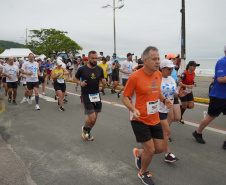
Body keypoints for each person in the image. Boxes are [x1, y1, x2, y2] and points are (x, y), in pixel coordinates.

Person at [122, 46, 173, 185]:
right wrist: (133, 109)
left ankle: (139, 153)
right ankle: (143, 172)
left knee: (160, 148)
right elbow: (125, 97)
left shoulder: (157, 74)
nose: (158, 61)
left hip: (154, 116)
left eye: (159, 58)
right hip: (139, 118)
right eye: (154, 59)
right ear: (145, 60)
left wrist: (164, 100)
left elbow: (157, 91)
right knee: (150, 149)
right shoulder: (134, 77)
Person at [192, 45, 226, 149]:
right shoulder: (222, 62)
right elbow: (220, 79)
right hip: (218, 96)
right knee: (211, 116)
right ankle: (198, 132)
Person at [159, 59, 187, 162]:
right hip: (158, 108)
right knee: (166, 131)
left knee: (166, 130)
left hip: (168, 106)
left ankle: (166, 153)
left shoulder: (171, 79)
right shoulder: (157, 78)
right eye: (168, 69)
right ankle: (167, 154)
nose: (171, 71)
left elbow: (172, 93)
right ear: (162, 68)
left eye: (172, 69)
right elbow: (154, 93)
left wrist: (179, 95)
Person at [74, 50, 106, 141]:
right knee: (92, 118)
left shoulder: (99, 69)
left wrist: (104, 81)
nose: (95, 60)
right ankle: (85, 128)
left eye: (96, 58)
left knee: (95, 119)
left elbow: (102, 78)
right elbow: (74, 78)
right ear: (88, 58)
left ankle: (87, 131)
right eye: (93, 58)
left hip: (96, 95)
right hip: (86, 95)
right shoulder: (82, 69)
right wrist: (80, 83)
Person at [165, 54, 181, 140]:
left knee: (177, 117)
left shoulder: (174, 70)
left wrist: (180, 83)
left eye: (176, 59)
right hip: (168, 95)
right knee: (170, 117)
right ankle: (165, 133)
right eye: (174, 59)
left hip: (175, 93)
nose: (175, 60)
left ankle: (163, 127)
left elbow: (176, 82)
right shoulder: (165, 70)